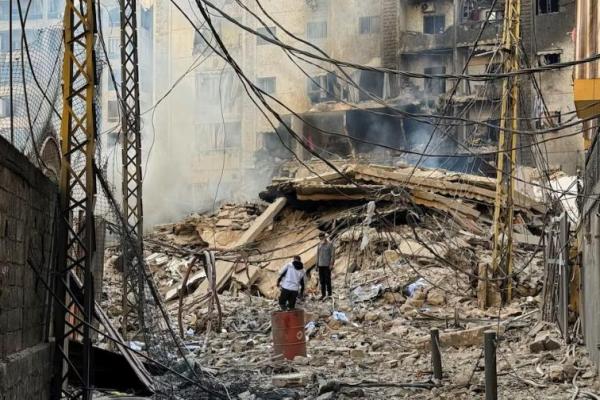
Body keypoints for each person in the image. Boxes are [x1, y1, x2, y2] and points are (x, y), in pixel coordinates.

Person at [316, 233, 335, 300]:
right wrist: (316, 265)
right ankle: (323, 295)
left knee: (328, 280)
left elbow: (333, 255)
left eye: (322, 237)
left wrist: (331, 264)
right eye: (320, 238)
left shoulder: (330, 244)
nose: (321, 239)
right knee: (322, 281)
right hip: (320, 265)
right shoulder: (319, 245)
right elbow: (317, 255)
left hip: (327, 265)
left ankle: (329, 294)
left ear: (324, 237)